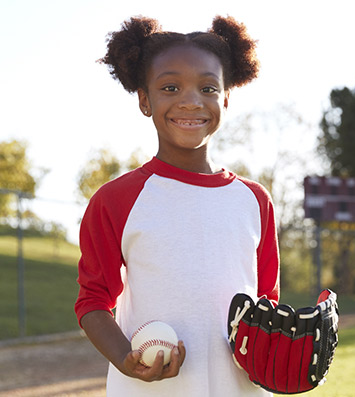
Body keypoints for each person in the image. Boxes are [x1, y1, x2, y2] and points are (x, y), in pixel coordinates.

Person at [75, 15, 280, 397]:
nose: (191, 101)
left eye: (208, 88)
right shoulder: (116, 200)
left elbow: (267, 301)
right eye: (170, 87)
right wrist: (125, 359)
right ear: (144, 100)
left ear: (227, 97)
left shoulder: (254, 200)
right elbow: (92, 301)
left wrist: (278, 352)